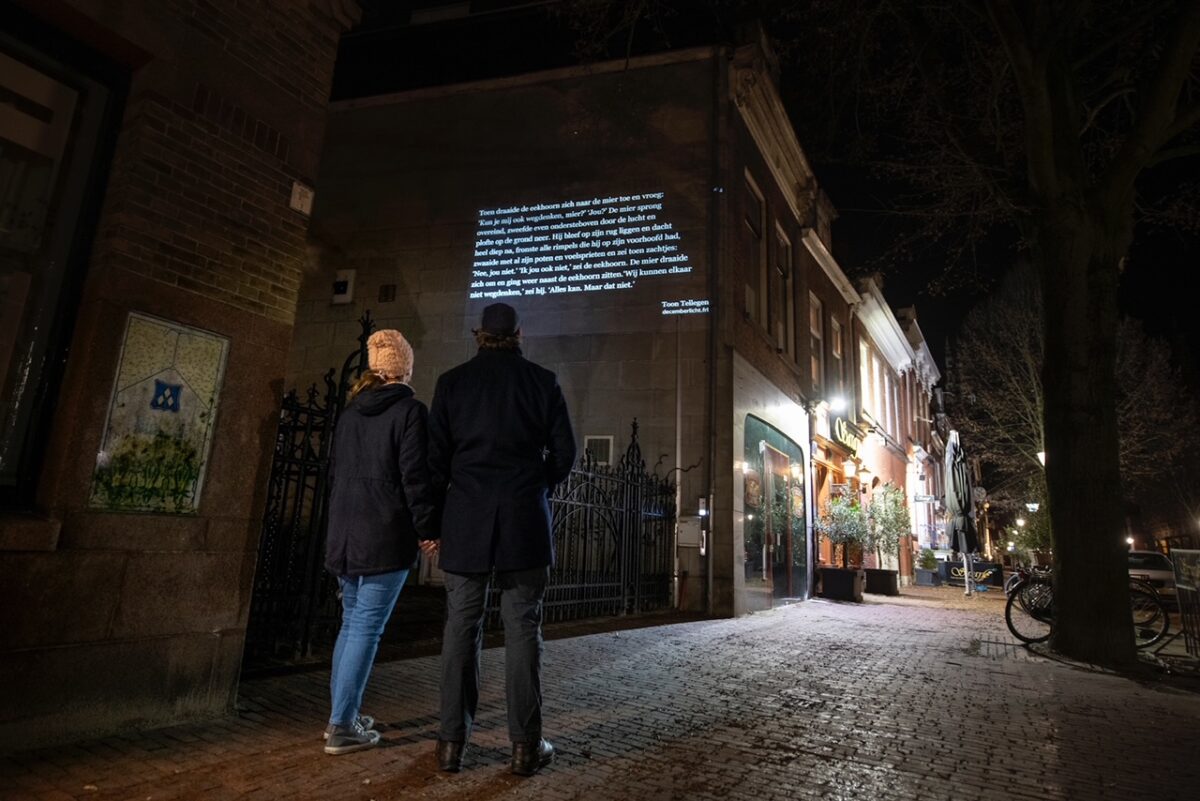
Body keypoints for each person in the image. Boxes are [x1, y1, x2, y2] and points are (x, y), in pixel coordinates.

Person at [427, 302, 576, 776]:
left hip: (466, 520)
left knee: (460, 629)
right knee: (523, 630)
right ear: (519, 334)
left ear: (478, 335)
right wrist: (538, 485)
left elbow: (434, 462)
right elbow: (565, 452)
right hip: (523, 519)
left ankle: (451, 744)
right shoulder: (542, 382)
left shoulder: (451, 383)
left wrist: (432, 523)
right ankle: (525, 747)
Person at [322, 329, 437, 755]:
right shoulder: (409, 412)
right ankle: (341, 726)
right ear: (404, 370)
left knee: (350, 625)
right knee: (366, 630)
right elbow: (414, 478)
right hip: (384, 534)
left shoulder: (350, 414)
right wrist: (427, 529)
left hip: (345, 534)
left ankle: (343, 714)